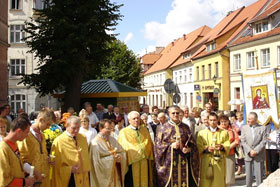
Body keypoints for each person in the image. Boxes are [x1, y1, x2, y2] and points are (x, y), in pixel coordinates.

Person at [154, 105, 199, 187]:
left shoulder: (185, 127)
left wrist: (189, 149)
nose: (175, 115)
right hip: (169, 163)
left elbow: (193, 144)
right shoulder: (163, 128)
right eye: (173, 113)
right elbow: (158, 146)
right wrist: (171, 146)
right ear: (169, 114)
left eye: (177, 113)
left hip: (184, 161)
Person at [17, 108, 55, 187]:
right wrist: (33, 173)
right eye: (48, 124)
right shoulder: (25, 135)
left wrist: (48, 159)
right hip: (32, 180)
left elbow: (41, 154)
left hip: (44, 179)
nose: (48, 128)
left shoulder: (42, 136)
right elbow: (21, 159)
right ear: (41, 120)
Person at [51, 116, 90, 187]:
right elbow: (55, 165)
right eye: (73, 128)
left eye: (78, 128)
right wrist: (70, 169)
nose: (76, 130)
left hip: (83, 177)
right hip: (69, 179)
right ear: (67, 126)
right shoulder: (59, 141)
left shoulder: (83, 138)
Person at [118, 111, 154, 187]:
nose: (136, 120)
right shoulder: (124, 132)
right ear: (129, 120)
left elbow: (148, 141)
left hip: (144, 159)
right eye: (134, 118)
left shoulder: (144, 129)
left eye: (137, 118)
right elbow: (125, 144)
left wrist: (143, 147)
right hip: (132, 160)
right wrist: (139, 149)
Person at [196, 112, 230, 187]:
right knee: (205, 181)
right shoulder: (201, 133)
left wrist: (221, 147)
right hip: (206, 160)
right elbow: (199, 146)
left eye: (214, 120)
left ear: (217, 120)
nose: (213, 122)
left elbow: (227, 145)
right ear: (207, 120)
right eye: (211, 120)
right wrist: (206, 149)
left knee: (218, 181)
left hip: (219, 160)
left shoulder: (224, 132)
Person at [89, 119, 126, 187]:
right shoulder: (95, 143)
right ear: (100, 128)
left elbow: (122, 151)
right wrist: (112, 159)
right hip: (104, 177)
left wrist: (119, 157)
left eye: (111, 128)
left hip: (115, 173)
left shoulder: (112, 139)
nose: (110, 131)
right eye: (108, 128)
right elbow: (95, 163)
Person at [0, 116, 35, 187]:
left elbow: (18, 167)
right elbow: (4, 180)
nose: (27, 135)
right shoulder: (3, 148)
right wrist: (25, 182)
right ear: (19, 131)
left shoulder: (14, 144)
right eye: (26, 132)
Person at [241, 112, 266, 187]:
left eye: (250, 119)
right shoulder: (244, 128)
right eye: (248, 118)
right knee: (248, 175)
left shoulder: (262, 128)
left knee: (259, 175)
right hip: (248, 155)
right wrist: (249, 151)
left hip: (258, 154)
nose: (248, 120)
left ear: (255, 120)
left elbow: (264, 141)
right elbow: (243, 141)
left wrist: (256, 150)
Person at [219, 115, 240, 187]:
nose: (223, 123)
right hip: (219, 154)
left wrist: (228, 147)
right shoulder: (217, 130)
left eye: (225, 121)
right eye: (222, 122)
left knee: (228, 175)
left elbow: (237, 140)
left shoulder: (232, 130)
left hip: (230, 154)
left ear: (228, 121)